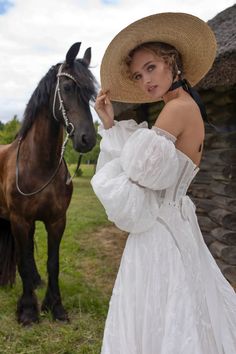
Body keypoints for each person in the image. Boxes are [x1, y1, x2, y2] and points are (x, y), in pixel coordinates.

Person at [91, 12, 236, 354]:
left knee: (161, 311)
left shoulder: (175, 110)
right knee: (183, 307)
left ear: (172, 62)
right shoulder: (185, 106)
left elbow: (138, 173)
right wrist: (111, 125)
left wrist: (116, 150)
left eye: (151, 67)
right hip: (177, 224)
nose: (145, 81)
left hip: (159, 230)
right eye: (139, 75)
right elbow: (144, 164)